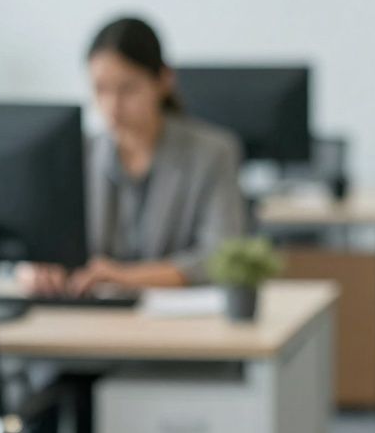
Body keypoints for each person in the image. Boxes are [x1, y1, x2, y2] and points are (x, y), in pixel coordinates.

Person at [21, 16, 246, 295]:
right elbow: (43, 244)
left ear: (163, 81)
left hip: (178, 324)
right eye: (100, 89)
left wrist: (128, 277)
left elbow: (219, 257)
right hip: (91, 318)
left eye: (127, 89)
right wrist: (37, 268)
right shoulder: (78, 154)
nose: (112, 106)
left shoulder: (212, 153)